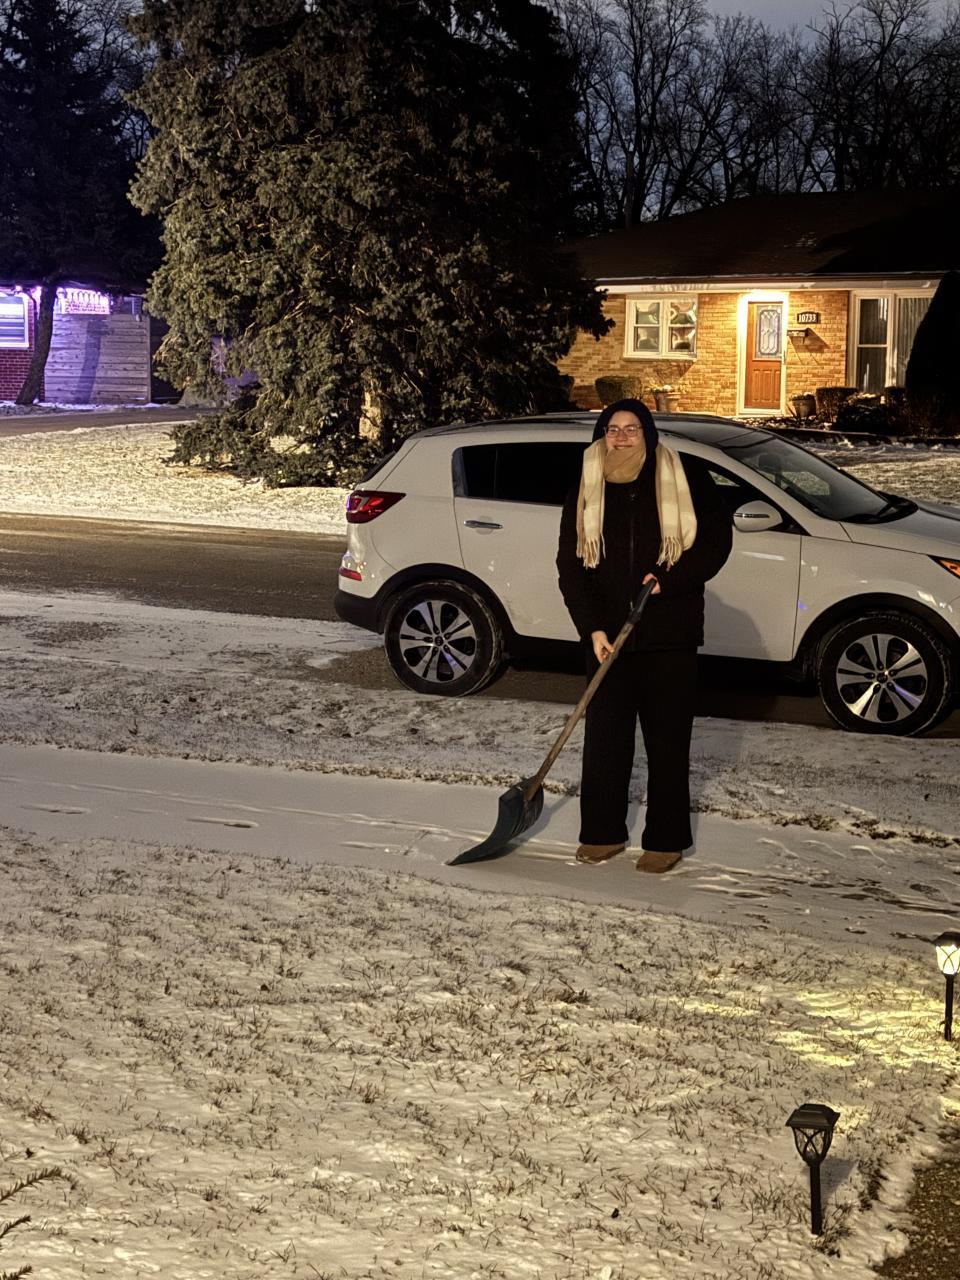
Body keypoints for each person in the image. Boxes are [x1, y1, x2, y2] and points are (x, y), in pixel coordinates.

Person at [556, 398, 732, 872]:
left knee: (668, 741)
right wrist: (591, 628)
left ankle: (666, 839)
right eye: (612, 428)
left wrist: (667, 580)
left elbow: (716, 544)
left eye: (631, 428)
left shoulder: (684, 475)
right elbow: (570, 564)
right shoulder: (587, 482)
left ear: (648, 432)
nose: (621, 437)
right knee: (605, 740)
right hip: (607, 636)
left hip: (670, 633)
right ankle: (602, 832)